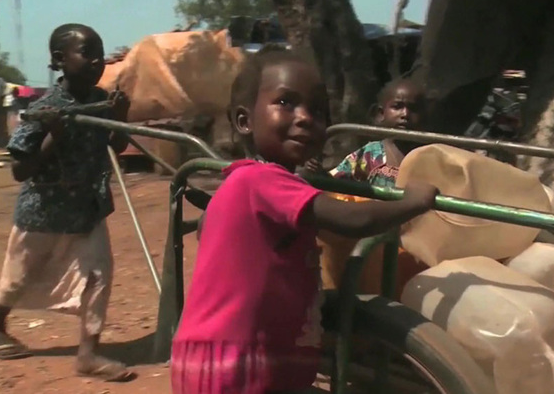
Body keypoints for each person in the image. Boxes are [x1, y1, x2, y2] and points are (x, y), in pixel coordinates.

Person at [170, 47, 439, 394]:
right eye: (286, 102)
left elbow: (209, 229)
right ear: (244, 121)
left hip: (235, 359)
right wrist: (414, 200)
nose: (305, 117)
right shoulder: (263, 180)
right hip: (238, 365)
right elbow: (354, 220)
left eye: (318, 110)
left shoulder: (243, 180)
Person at [0, 23, 132, 382]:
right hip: (43, 210)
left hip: (87, 208)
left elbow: (116, 145)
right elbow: (20, 169)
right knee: (19, 275)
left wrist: (120, 116)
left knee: (98, 275)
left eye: (99, 53)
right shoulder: (45, 108)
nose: (97, 61)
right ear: (60, 59)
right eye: (86, 53)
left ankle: (88, 354)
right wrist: (54, 136)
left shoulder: (101, 101)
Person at [307, 77, 427, 188]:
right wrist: (319, 173)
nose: (405, 114)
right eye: (397, 107)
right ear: (381, 114)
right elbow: (337, 183)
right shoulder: (370, 154)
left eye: (413, 109)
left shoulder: (429, 155)